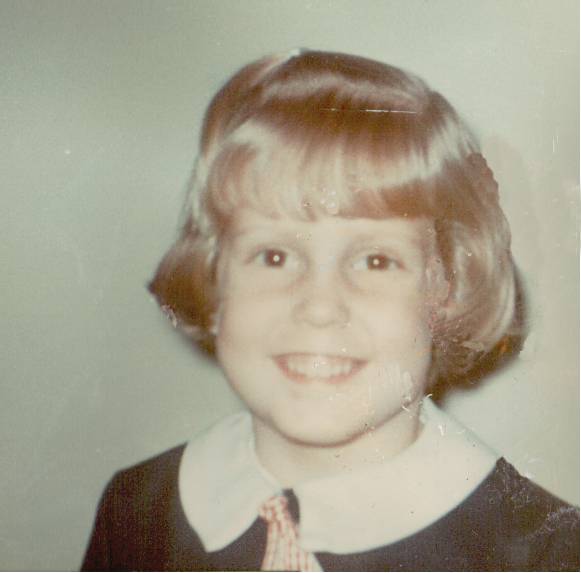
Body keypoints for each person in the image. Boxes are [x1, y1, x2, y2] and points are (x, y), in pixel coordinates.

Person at [81, 49, 579, 571]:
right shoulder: (138, 509)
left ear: (447, 288)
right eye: (274, 256)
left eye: (377, 260)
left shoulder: (546, 553)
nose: (319, 307)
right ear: (213, 277)